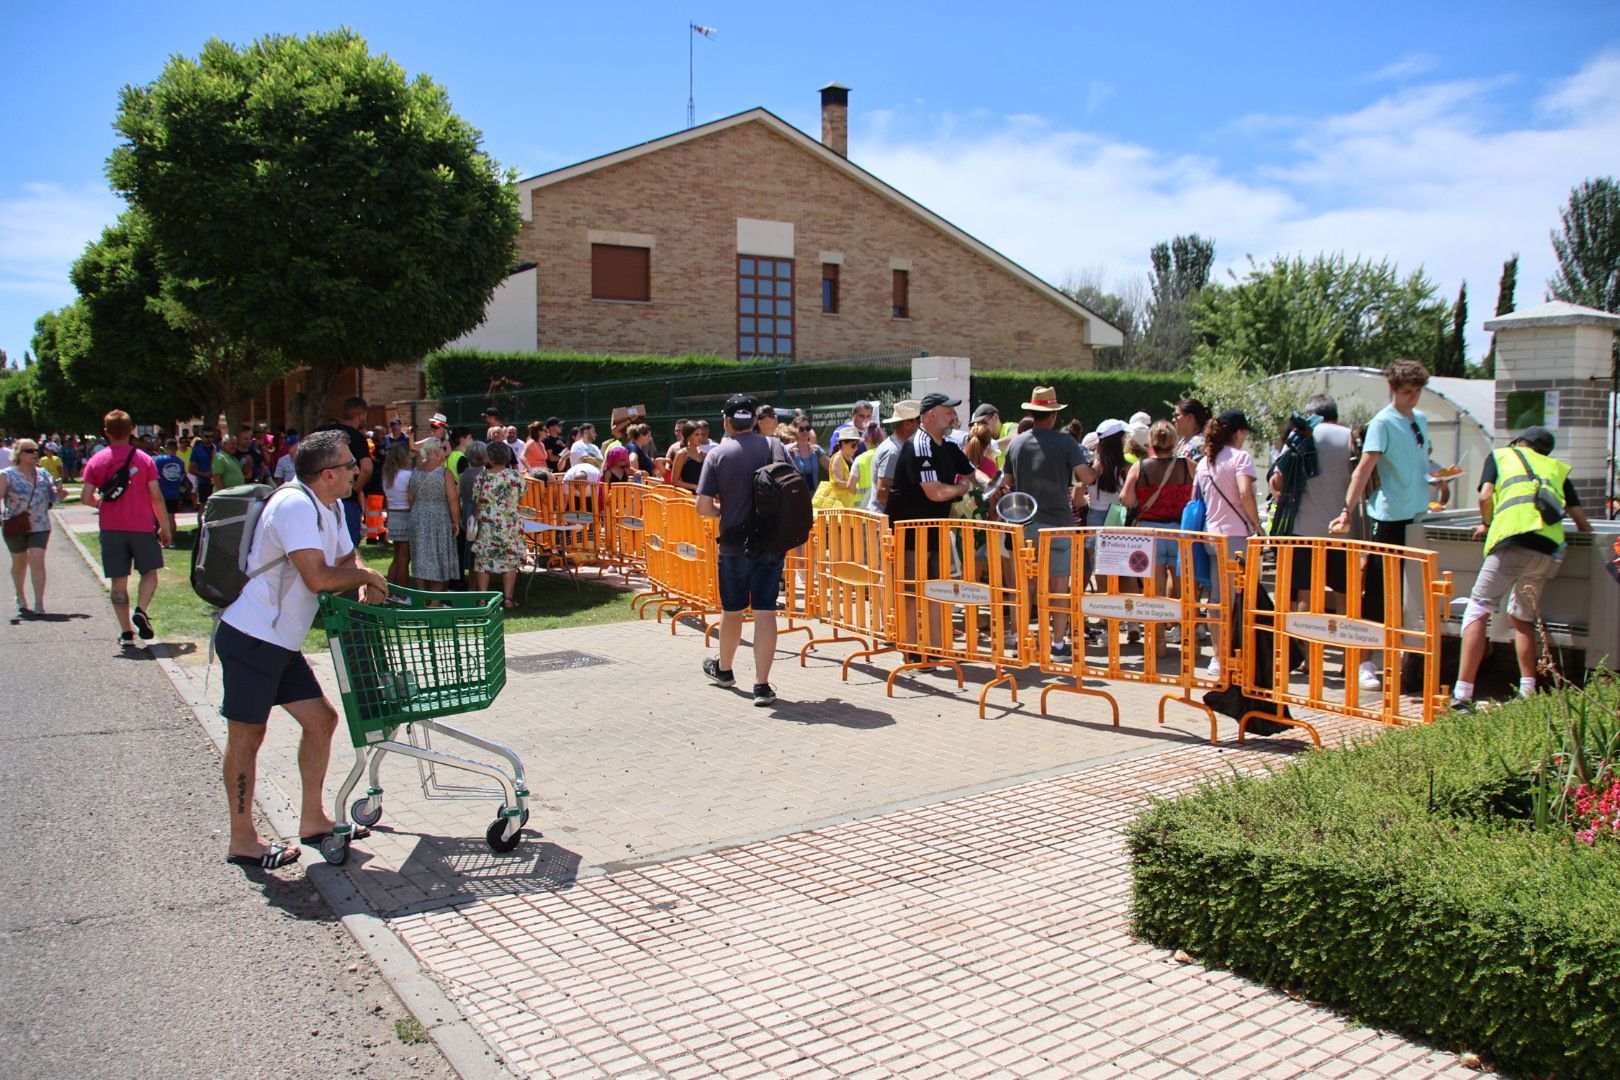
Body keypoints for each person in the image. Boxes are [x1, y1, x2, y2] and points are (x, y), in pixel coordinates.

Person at [216, 429, 389, 869]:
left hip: (279, 642)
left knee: (322, 721)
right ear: (328, 473)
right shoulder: (294, 505)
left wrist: (364, 573)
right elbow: (318, 577)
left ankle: (312, 819)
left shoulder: (329, 507)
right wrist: (367, 580)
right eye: (351, 464)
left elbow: (347, 561)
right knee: (248, 737)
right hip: (252, 638)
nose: (358, 470)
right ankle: (243, 839)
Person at [1451, 427, 1592, 711]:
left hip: (1512, 544)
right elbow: (1581, 521)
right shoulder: (1556, 469)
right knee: (1521, 616)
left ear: (1519, 442)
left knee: (1478, 608)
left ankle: (1462, 695)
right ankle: (1528, 691)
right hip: (1549, 554)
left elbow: (1484, 497)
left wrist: (1487, 524)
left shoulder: (1501, 456)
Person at [1329, 359, 1434, 691]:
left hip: (1418, 515)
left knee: (1413, 594)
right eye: (1407, 391)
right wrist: (1346, 510)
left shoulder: (1421, 420)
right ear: (1393, 389)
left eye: (1417, 391)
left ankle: (1405, 659)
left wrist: (1437, 482)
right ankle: (1365, 662)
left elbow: (1422, 460)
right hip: (1389, 518)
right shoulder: (1382, 423)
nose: (1413, 397)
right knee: (1376, 592)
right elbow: (1363, 469)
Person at [696, 394, 789, 706]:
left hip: (735, 544)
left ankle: (724, 670)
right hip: (771, 541)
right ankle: (762, 685)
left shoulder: (718, 455)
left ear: (726, 422)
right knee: (765, 610)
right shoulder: (775, 448)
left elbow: (703, 507)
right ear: (755, 420)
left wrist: (726, 512)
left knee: (732, 610)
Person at [1003, 387, 1092, 659]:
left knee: (1025, 584)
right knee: (1058, 584)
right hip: (1059, 524)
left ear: (1032, 412)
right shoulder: (1067, 444)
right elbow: (1086, 477)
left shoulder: (1016, 443)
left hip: (1026, 523)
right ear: (1053, 415)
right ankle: (1057, 644)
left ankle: (1021, 639)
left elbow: (1007, 483)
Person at [887, 393, 976, 656]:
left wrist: (994, 486)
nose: (952, 416)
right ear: (931, 414)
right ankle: (912, 647)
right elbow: (935, 492)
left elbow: (973, 473)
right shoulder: (920, 444)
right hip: (911, 530)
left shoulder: (947, 446)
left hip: (936, 527)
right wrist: (962, 488)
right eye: (948, 411)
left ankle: (937, 647)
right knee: (913, 588)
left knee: (938, 588)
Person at [80, 410, 170, 646]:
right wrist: (164, 526)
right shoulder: (143, 459)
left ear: (106, 432)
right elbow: (156, 497)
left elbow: (86, 496)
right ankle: (140, 609)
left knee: (118, 582)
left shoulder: (97, 460)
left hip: (111, 528)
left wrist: (103, 504)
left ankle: (126, 633)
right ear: (131, 430)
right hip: (141, 526)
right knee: (149, 572)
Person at [1270, 395, 1354, 611]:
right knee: (1344, 593)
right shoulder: (1349, 437)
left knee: (1306, 591)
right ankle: (1346, 643)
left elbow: (1277, 480)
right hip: (1341, 530)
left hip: (1304, 529)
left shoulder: (1301, 435)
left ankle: (1306, 644)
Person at [1196, 410, 1262, 679]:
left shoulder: (1204, 462)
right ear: (1238, 432)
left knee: (1217, 599)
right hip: (1236, 536)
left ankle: (1219, 656)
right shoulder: (1240, 458)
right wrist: (1257, 525)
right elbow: (1245, 493)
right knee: (1237, 599)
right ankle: (1231, 656)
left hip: (1212, 535)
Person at [1121, 420, 1195, 655]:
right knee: (1183, 586)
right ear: (1173, 441)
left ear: (1151, 441)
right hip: (1179, 531)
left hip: (1149, 533)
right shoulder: (1188, 466)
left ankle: (1159, 642)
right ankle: (1183, 635)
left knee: (1155, 590)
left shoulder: (1140, 467)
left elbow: (1127, 499)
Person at [1, 439, 63, 616]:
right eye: (29, 450)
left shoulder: (43, 473)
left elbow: (54, 497)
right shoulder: (7, 474)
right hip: (15, 525)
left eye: (36, 450)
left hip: (40, 524)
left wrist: (60, 494)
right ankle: (20, 595)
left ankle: (39, 603)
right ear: (19, 454)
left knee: (37, 560)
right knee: (19, 563)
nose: (34, 453)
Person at [314, 396, 375, 549]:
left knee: (320, 547)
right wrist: (355, 488)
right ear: (361, 416)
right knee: (346, 551)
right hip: (345, 499)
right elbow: (367, 467)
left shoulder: (320, 432)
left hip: (317, 497)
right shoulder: (356, 437)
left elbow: (295, 451)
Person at [470, 441, 525, 608]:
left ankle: (482, 599)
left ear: (490, 458)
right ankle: (508, 598)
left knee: (483, 561)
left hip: (487, 525)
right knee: (510, 561)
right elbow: (520, 498)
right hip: (510, 525)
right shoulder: (515, 476)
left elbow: (475, 500)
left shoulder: (482, 476)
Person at [407, 437, 460, 594]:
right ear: (436, 451)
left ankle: (422, 597)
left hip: (418, 515)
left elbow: (410, 498)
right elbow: (452, 499)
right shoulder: (445, 473)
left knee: (421, 556)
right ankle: (435, 599)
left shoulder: (415, 471)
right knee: (437, 555)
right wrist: (456, 520)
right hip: (439, 516)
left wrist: (419, 510)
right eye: (443, 448)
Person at [868, 400, 922, 512]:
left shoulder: (899, 448)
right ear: (907, 424)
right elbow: (883, 492)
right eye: (919, 421)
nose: (921, 425)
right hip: (886, 521)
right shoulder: (893, 452)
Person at [381, 440, 414, 586]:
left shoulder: (387, 476)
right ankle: (403, 594)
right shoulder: (408, 475)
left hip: (393, 516)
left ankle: (390, 589)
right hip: (406, 516)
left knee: (397, 556)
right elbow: (411, 498)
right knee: (404, 558)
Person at [811, 426, 863, 508]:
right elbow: (837, 482)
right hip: (839, 505)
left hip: (848, 503)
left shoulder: (849, 457)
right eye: (853, 445)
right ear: (843, 443)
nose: (856, 448)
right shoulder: (838, 458)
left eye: (858, 445)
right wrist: (853, 485)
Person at [152, 438, 188, 544]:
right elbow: (182, 478)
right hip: (174, 493)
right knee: (171, 517)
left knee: (157, 516)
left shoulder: (158, 460)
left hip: (160, 493)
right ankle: (171, 541)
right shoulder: (180, 462)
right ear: (176, 448)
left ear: (166, 447)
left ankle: (157, 539)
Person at [788, 419, 828, 493]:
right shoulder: (789, 451)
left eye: (808, 428)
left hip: (815, 496)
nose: (805, 431)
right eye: (801, 429)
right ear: (795, 430)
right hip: (797, 496)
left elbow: (831, 468)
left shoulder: (816, 449)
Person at [670, 422, 706, 493]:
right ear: (688, 437)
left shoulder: (704, 454)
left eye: (701, 434)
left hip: (703, 495)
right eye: (696, 435)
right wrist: (694, 486)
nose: (700, 437)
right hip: (688, 497)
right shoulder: (682, 454)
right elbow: (674, 481)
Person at [188, 428, 217, 513]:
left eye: (211, 437)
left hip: (216, 482)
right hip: (203, 482)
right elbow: (191, 469)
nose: (209, 439)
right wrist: (204, 475)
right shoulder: (197, 450)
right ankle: (201, 525)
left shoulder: (216, 448)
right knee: (203, 506)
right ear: (202, 437)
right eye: (206, 437)